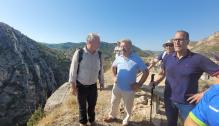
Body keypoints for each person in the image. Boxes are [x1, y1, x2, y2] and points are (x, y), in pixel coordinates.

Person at [150, 30, 219, 126]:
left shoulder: (198, 59)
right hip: (169, 99)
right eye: (175, 40)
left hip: (187, 103)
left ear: (187, 42)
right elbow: (163, 73)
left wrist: (204, 94)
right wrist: (156, 82)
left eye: (180, 40)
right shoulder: (167, 57)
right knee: (171, 123)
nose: (176, 42)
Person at [104, 39, 149, 126]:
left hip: (129, 88)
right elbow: (113, 67)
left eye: (125, 46)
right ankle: (112, 116)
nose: (122, 48)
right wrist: (114, 76)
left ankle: (125, 121)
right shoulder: (119, 57)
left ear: (130, 47)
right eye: (121, 46)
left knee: (128, 106)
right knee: (114, 102)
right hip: (117, 86)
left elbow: (146, 72)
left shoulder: (137, 58)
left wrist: (139, 84)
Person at [68, 33, 104, 126]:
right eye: (98, 41)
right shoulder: (80, 53)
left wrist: (102, 82)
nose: (100, 43)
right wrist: (72, 86)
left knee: (92, 105)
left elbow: (101, 69)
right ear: (89, 41)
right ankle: (83, 123)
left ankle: (92, 121)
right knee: (82, 106)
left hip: (93, 85)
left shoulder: (99, 54)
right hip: (81, 85)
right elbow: (73, 70)